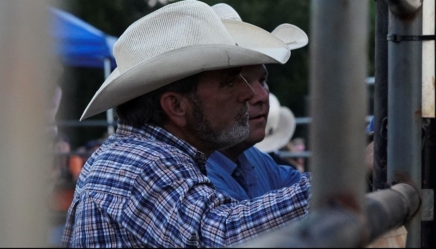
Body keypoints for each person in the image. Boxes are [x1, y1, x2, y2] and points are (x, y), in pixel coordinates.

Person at [61, 1, 311, 247]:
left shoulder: (142, 154)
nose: (249, 95)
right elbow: (221, 234)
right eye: (230, 83)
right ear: (176, 106)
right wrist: (327, 190)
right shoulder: (142, 164)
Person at [204, 3, 308, 201]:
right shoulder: (198, 176)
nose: (261, 96)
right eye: (233, 83)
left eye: (262, 80)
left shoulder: (253, 158)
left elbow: (304, 187)